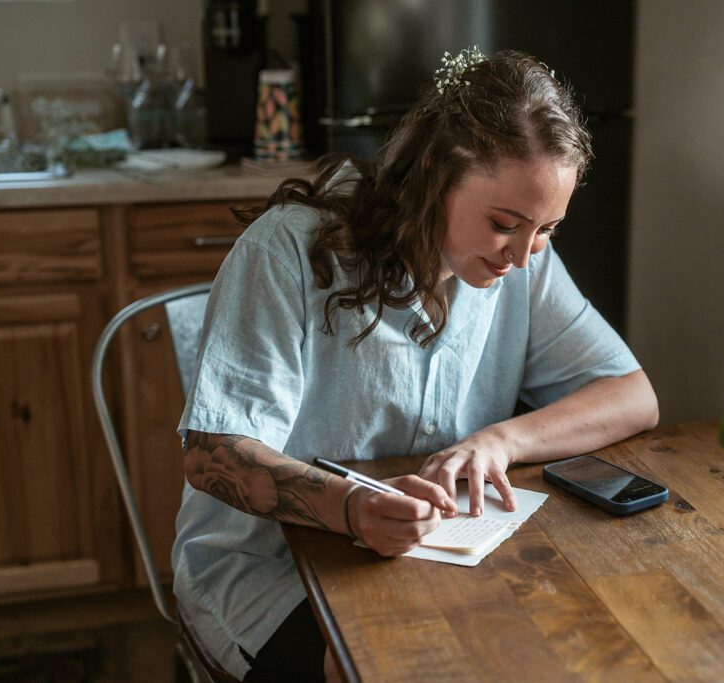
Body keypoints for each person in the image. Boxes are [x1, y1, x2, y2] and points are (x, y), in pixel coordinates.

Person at [173, 48, 659, 682]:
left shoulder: (523, 261)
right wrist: (350, 508)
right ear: (435, 176)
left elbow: (633, 395)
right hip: (267, 572)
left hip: (434, 561)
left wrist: (500, 441)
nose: (521, 255)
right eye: (503, 223)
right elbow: (212, 455)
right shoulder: (287, 250)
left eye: (547, 229)